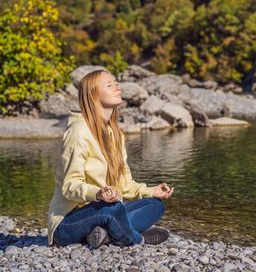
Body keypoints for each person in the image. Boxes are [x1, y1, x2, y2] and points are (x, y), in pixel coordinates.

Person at [47, 67, 174, 248]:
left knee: (155, 205)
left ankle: (105, 235)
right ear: (93, 95)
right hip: (68, 223)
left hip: (105, 210)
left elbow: (124, 185)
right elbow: (69, 186)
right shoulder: (79, 131)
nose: (117, 88)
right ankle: (137, 239)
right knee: (113, 209)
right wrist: (98, 194)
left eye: (116, 83)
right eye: (109, 85)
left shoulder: (115, 134)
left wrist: (151, 191)